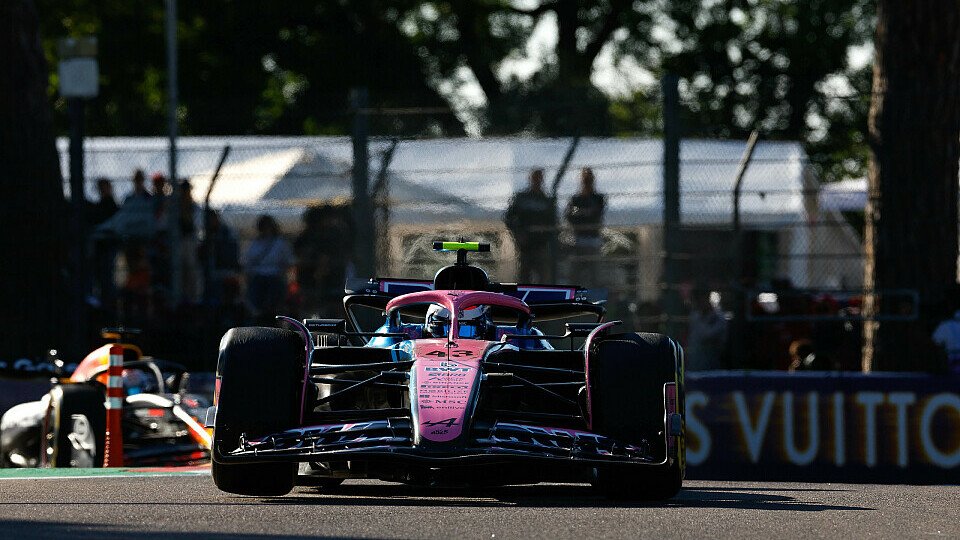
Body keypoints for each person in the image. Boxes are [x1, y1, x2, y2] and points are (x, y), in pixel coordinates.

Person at [504, 169, 557, 282]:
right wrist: (518, 234)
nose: (537, 181)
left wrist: (545, 235)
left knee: (543, 276)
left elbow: (553, 222)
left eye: (539, 178)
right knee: (524, 275)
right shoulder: (521, 198)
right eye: (535, 178)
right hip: (525, 245)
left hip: (541, 245)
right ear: (531, 179)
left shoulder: (546, 200)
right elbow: (509, 218)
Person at [243, 215, 293, 322]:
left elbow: (288, 262)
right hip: (258, 277)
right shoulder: (255, 244)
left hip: (275, 277)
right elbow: (249, 262)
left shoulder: (280, 243)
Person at [564, 167, 605, 286]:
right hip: (578, 240)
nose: (587, 183)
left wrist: (581, 214)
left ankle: (594, 295)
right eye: (585, 180)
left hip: (593, 240)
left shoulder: (598, 198)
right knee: (575, 275)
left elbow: (596, 216)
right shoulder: (576, 199)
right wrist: (585, 214)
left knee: (595, 275)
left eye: (589, 180)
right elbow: (570, 217)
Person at [685, 289, 728, 371]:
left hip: (713, 364)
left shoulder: (719, 318)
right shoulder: (695, 316)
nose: (701, 303)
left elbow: (706, 335)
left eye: (703, 300)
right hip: (695, 364)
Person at [932, 309, 960, 376]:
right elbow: (937, 341)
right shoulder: (946, 325)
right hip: (952, 355)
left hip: (951, 355)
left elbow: (936, 341)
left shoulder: (945, 325)